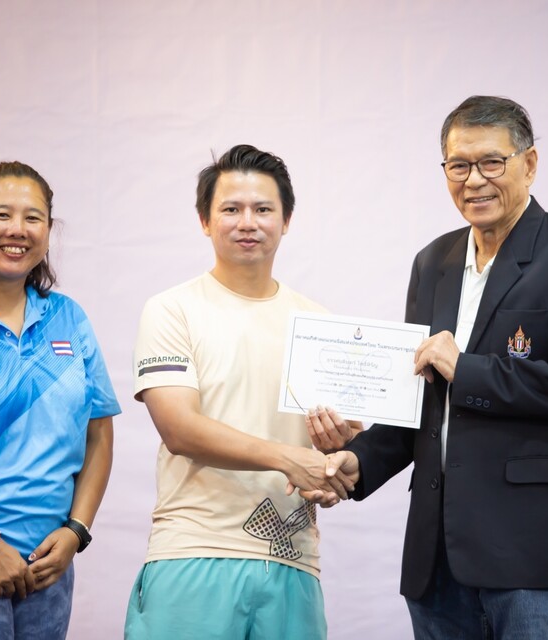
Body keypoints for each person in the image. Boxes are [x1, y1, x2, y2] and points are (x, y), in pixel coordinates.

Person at [307, 96, 548, 639]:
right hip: (435, 556)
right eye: (459, 165)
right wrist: (358, 462)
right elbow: (421, 399)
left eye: (491, 162)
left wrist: (466, 370)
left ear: (529, 164)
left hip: (526, 551)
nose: (474, 181)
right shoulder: (433, 262)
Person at [124, 144, 360, 640]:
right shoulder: (172, 309)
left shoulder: (320, 324)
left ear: (286, 220)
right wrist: (289, 459)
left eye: (263, 209)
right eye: (231, 209)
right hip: (193, 550)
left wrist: (335, 457)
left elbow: (329, 453)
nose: (247, 222)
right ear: (205, 221)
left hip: (292, 558)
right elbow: (179, 428)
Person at [0, 161, 121, 639]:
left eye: (33, 217)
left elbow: (98, 433)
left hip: (47, 566)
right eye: (2, 214)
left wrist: (76, 530)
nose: (18, 229)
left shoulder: (68, 319)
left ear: (48, 231)